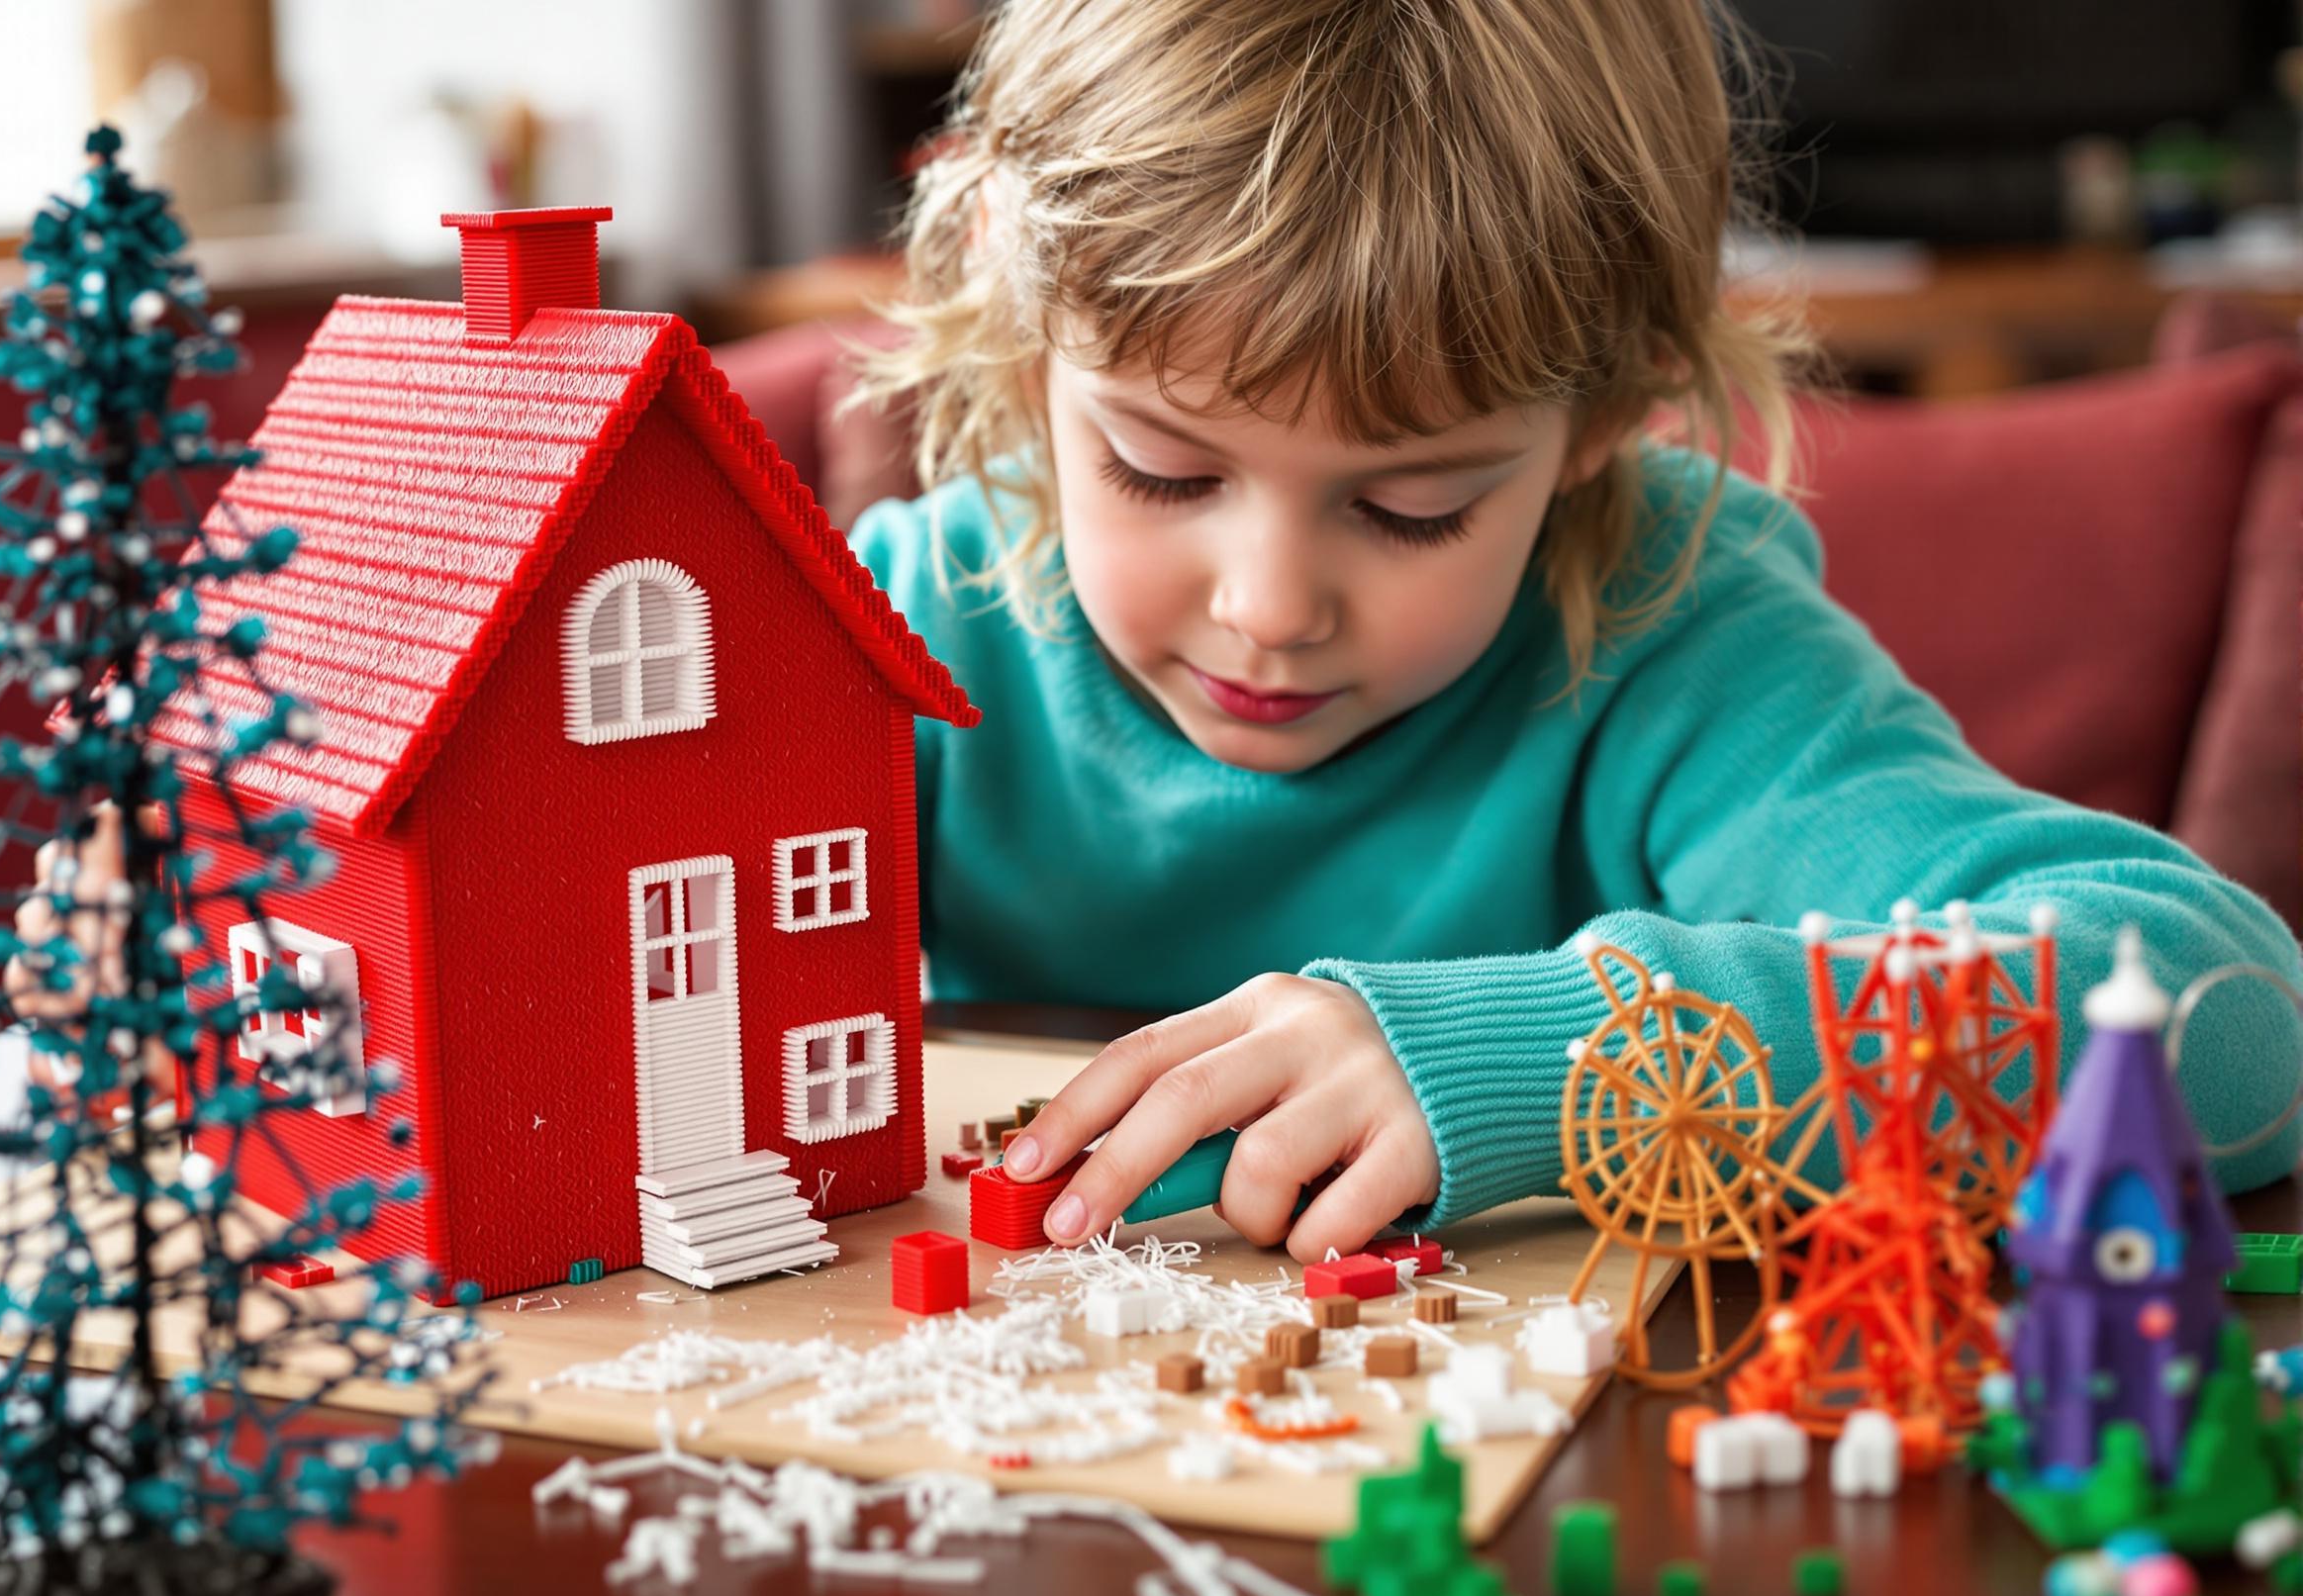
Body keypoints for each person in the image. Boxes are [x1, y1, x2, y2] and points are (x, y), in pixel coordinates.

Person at [840, 0, 2303, 1259]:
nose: (1268, 608)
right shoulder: (900, 626)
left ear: (1610, 407)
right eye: (1163, 468)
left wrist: (1568, 1063)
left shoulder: (1677, 634)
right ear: (1016, 305)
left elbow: (2230, 1019)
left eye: (1410, 506)